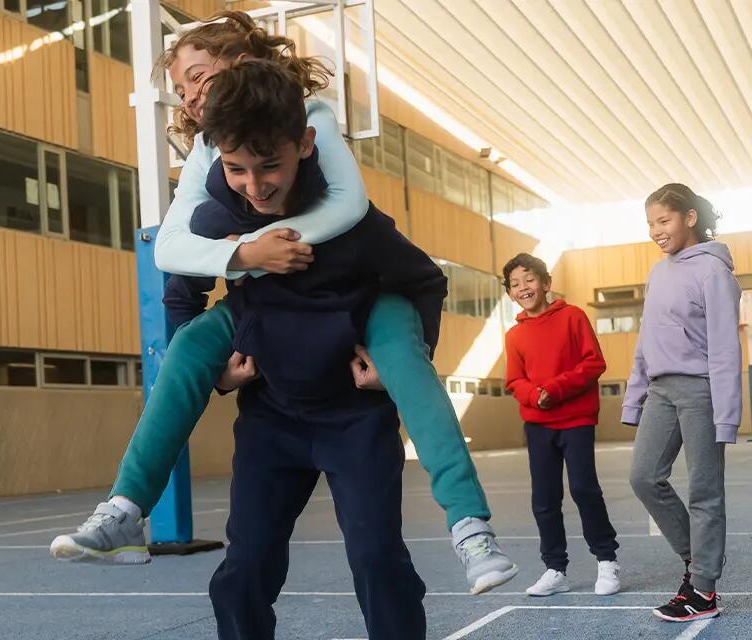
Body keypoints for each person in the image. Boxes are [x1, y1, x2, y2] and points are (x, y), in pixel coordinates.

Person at [49, 11, 516, 594]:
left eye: (199, 75)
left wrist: (406, 353)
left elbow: (405, 262)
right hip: (275, 389)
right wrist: (244, 262)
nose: (191, 93)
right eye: (182, 88)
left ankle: (470, 528)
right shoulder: (213, 182)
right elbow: (174, 267)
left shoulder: (318, 143)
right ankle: (126, 506)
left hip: (352, 338)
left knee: (402, 380)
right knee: (193, 351)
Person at [184, 59, 438, 638]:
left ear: (304, 143)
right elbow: (183, 293)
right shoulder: (216, 217)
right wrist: (214, 372)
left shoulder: (357, 222)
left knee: (377, 558)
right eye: (236, 169)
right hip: (270, 419)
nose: (256, 186)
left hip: (356, 418)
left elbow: (425, 281)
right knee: (245, 567)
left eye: (269, 165)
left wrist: (397, 366)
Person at [624, 184, 740, 623]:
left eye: (663, 220)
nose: (656, 230)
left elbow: (726, 348)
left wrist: (727, 415)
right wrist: (634, 398)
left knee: (705, 491)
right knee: (643, 477)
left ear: (689, 218)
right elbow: (645, 340)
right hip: (660, 390)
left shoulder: (713, 272)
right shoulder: (658, 272)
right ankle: (699, 559)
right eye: (651, 223)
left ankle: (704, 590)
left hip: (701, 391)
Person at [500, 252, 622, 597]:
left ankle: (606, 560)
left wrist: (552, 389)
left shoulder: (573, 317)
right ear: (510, 293)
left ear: (546, 283)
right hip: (538, 425)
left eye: (529, 279)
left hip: (576, 419)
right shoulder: (514, 336)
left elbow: (593, 363)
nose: (523, 287)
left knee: (584, 488)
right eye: (515, 284)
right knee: (545, 498)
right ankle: (556, 569)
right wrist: (533, 395)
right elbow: (514, 381)